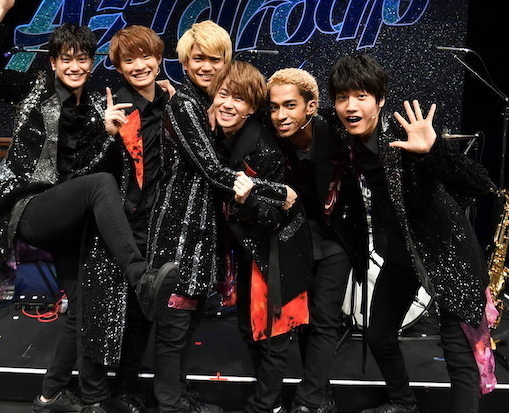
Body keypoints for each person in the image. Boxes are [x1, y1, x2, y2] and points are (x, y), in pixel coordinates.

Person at [0, 0, 179, 413]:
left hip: (66, 216)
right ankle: (141, 277)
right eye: (67, 59)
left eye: (83, 59)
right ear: (54, 62)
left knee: (81, 306)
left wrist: (113, 131)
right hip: (29, 208)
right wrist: (1, 11)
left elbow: (91, 170)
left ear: (91, 63)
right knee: (100, 185)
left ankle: (50, 393)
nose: (75, 66)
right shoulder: (32, 88)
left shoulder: (99, 106)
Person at [327, 53, 496, 413]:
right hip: (403, 254)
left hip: (450, 254)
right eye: (342, 97)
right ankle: (404, 403)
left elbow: (480, 182)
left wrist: (434, 151)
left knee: (458, 355)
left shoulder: (404, 136)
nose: (350, 106)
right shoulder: (346, 138)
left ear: (380, 100)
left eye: (361, 96)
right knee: (378, 334)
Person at [146, 21, 295, 413]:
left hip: (199, 233)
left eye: (215, 59)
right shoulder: (184, 105)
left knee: (188, 322)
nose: (206, 66)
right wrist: (278, 191)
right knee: (175, 325)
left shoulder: (202, 103)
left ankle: (178, 395)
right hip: (179, 232)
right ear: (184, 60)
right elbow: (212, 170)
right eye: (199, 58)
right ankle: (170, 402)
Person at [72, 24, 174, 413]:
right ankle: (95, 398)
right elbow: (83, 175)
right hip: (113, 228)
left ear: (158, 59)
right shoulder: (111, 108)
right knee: (100, 313)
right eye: (129, 59)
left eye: (146, 56)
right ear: (117, 67)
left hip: (155, 225)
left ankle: (127, 389)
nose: (139, 65)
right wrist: (106, 134)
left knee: (141, 314)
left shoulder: (172, 102)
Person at [208, 61, 312, 413]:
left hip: (275, 251)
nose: (228, 104)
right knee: (249, 329)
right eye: (223, 95)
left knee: (273, 333)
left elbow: (274, 215)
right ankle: (270, 402)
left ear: (253, 108)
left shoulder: (265, 149)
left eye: (238, 99)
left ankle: (265, 406)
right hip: (246, 250)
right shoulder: (219, 135)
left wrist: (247, 199)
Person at [265, 69, 362, 413]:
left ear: (311, 106)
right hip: (295, 240)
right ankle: (321, 395)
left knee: (323, 319)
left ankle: (307, 400)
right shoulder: (269, 138)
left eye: (289, 105)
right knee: (303, 321)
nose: (280, 115)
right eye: (274, 107)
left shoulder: (336, 134)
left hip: (336, 239)